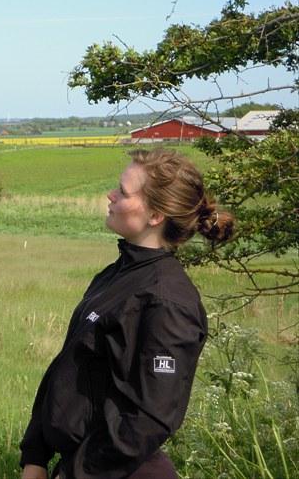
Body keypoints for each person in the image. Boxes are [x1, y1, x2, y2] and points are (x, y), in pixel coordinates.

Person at [20, 148, 234, 479]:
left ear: (155, 216)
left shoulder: (167, 301)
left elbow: (149, 418)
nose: (111, 194)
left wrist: (75, 474)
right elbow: (66, 369)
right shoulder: (115, 275)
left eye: (123, 191)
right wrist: (35, 456)